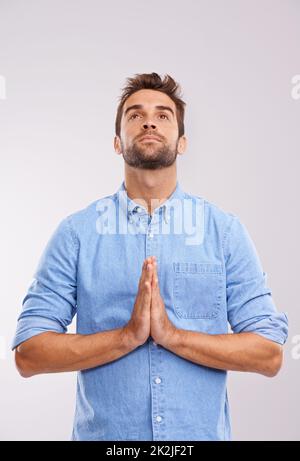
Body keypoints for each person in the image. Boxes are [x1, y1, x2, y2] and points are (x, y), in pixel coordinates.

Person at [12, 72, 288, 441]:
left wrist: (172, 336)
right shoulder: (77, 233)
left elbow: (268, 354)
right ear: (116, 142)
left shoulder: (224, 231)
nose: (149, 121)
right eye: (135, 114)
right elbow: (29, 353)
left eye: (163, 115)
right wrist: (127, 337)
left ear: (183, 142)